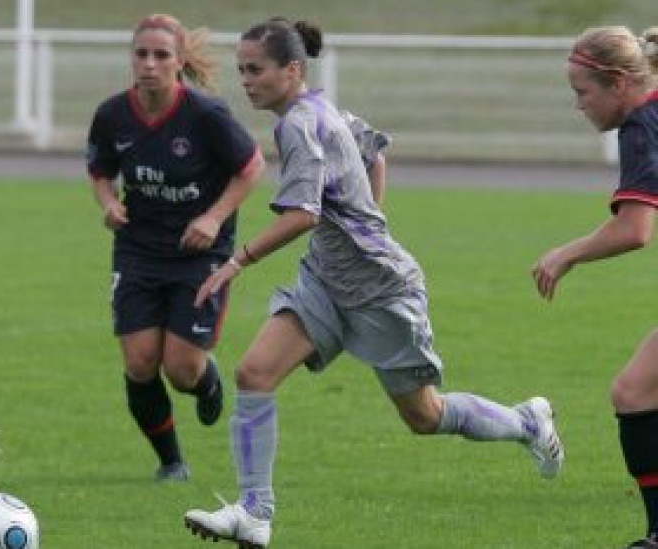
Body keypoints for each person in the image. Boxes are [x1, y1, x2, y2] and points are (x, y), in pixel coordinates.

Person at [183, 17, 564, 548]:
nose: (246, 81)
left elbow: (303, 214)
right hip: (326, 281)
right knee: (254, 373)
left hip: (381, 292)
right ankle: (254, 512)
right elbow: (375, 154)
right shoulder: (322, 110)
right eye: (242, 70)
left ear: (292, 69)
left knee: (425, 416)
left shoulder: (299, 123)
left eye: (256, 70)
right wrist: (363, 225)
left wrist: (236, 261)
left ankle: (527, 422)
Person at [86, 14, 265, 482]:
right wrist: (108, 203)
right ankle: (171, 463)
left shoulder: (206, 116)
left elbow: (251, 168)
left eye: (161, 55)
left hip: (199, 255)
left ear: (179, 61)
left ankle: (207, 382)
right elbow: (100, 170)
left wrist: (213, 217)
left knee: (181, 370)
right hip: (138, 251)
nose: (149, 64)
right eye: (141, 54)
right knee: (140, 361)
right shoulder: (112, 115)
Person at [532, 26, 658, 549]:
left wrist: (566, 254)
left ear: (618, 83)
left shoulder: (641, 125)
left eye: (583, 92)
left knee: (635, 391)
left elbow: (634, 230)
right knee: (635, 390)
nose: (578, 105)